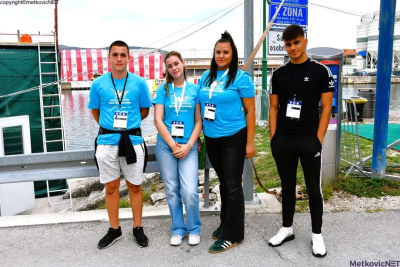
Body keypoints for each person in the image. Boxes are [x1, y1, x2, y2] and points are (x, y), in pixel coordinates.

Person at [268, 25, 334, 258]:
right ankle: (287, 229)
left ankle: (317, 234)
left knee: (314, 189)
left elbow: (326, 108)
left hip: (309, 139)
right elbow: (273, 107)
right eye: (288, 44)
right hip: (284, 139)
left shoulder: (320, 71)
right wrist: (273, 138)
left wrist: (318, 139)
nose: (293, 48)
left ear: (304, 41)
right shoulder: (278, 74)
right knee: (287, 188)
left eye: (296, 42)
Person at [88, 40, 152, 249]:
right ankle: (114, 229)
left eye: (122, 55)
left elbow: (144, 110)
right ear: (109, 57)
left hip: (132, 141)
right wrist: (111, 128)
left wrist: (128, 126)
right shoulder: (98, 84)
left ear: (128, 57)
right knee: (111, 187)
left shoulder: (139, 83)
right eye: (115, 55)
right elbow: (96, 112)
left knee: (134, 186)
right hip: (107, 142)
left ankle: (138, 228)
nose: (118, 59)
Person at [198, 31, 256, 253]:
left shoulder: (241, 79)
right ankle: (226, 223)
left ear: (233, 55)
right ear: (213, 54)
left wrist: (249, 142)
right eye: (218, 52)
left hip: (233, 137)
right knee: (223, 183)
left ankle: (233, 234)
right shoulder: (206, 77)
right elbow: (201, 107)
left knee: (232, 187)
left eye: (226, 52)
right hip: (212, 138)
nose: (221, 56)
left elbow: (250, 112)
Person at [153, 51, 202, 246]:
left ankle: (194, 229)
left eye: (176, 64)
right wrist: (173, 145)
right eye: (170, 66)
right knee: (172, 189)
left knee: (189, 190)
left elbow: (198, 121)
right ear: (167, 69)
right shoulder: (163, 90)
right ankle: (178, 229)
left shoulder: (194, 90)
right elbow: (157, 120)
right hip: (166, 146)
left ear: (183, 63)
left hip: (188, 146)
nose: (174, 68)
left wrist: (189, 144)